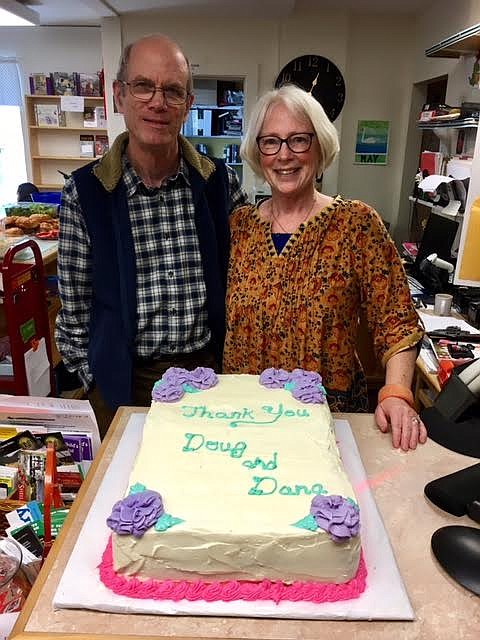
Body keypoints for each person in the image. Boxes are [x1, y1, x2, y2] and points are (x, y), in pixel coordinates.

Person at [55, 34, 247, 437]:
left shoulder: (219, 185)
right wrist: (97, 381)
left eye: (173, 91)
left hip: (211, 381)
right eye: (143, 86)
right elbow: (73, 314)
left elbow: (251, 283)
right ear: (119, 96)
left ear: (188, 105)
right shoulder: (85, 193)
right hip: (123, 387)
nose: (158, 103)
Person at [223, 84, 426, 451]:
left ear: (319, 147)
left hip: (327, 424)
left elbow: (396, 321)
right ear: (258, 151)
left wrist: (396, 393)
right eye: (271, 142)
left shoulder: (356, 224)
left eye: (299, 139)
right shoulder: (239, 227)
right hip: (245, 423)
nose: (284, 155)